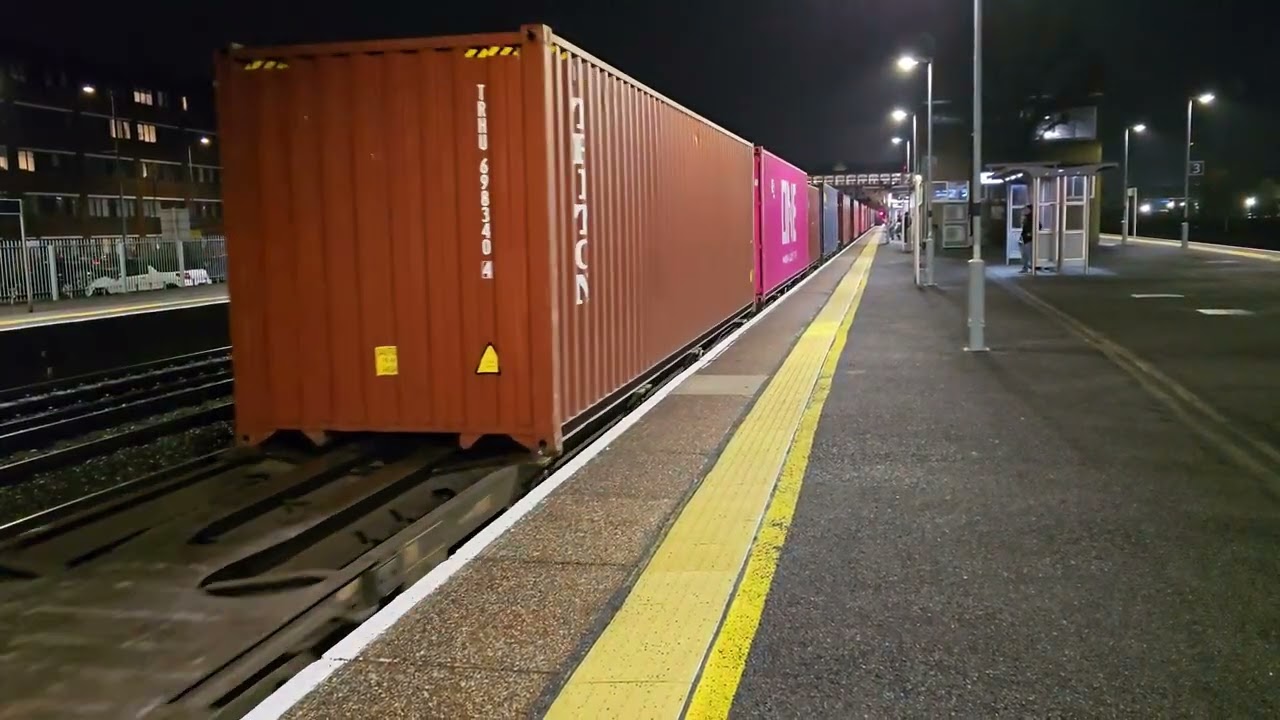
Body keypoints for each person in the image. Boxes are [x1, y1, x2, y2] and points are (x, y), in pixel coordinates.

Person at [1019, 206, 1034, 273]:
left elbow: (1039, 226)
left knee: (1028, 254)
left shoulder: (1032, 218)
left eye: (1026, 209)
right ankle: (1025, 267)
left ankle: (1030, 267)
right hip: (1024, 238)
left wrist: (1030, 233)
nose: (1025, 211)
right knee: (1024, 254)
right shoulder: (1026, 218)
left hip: (1028, 239)